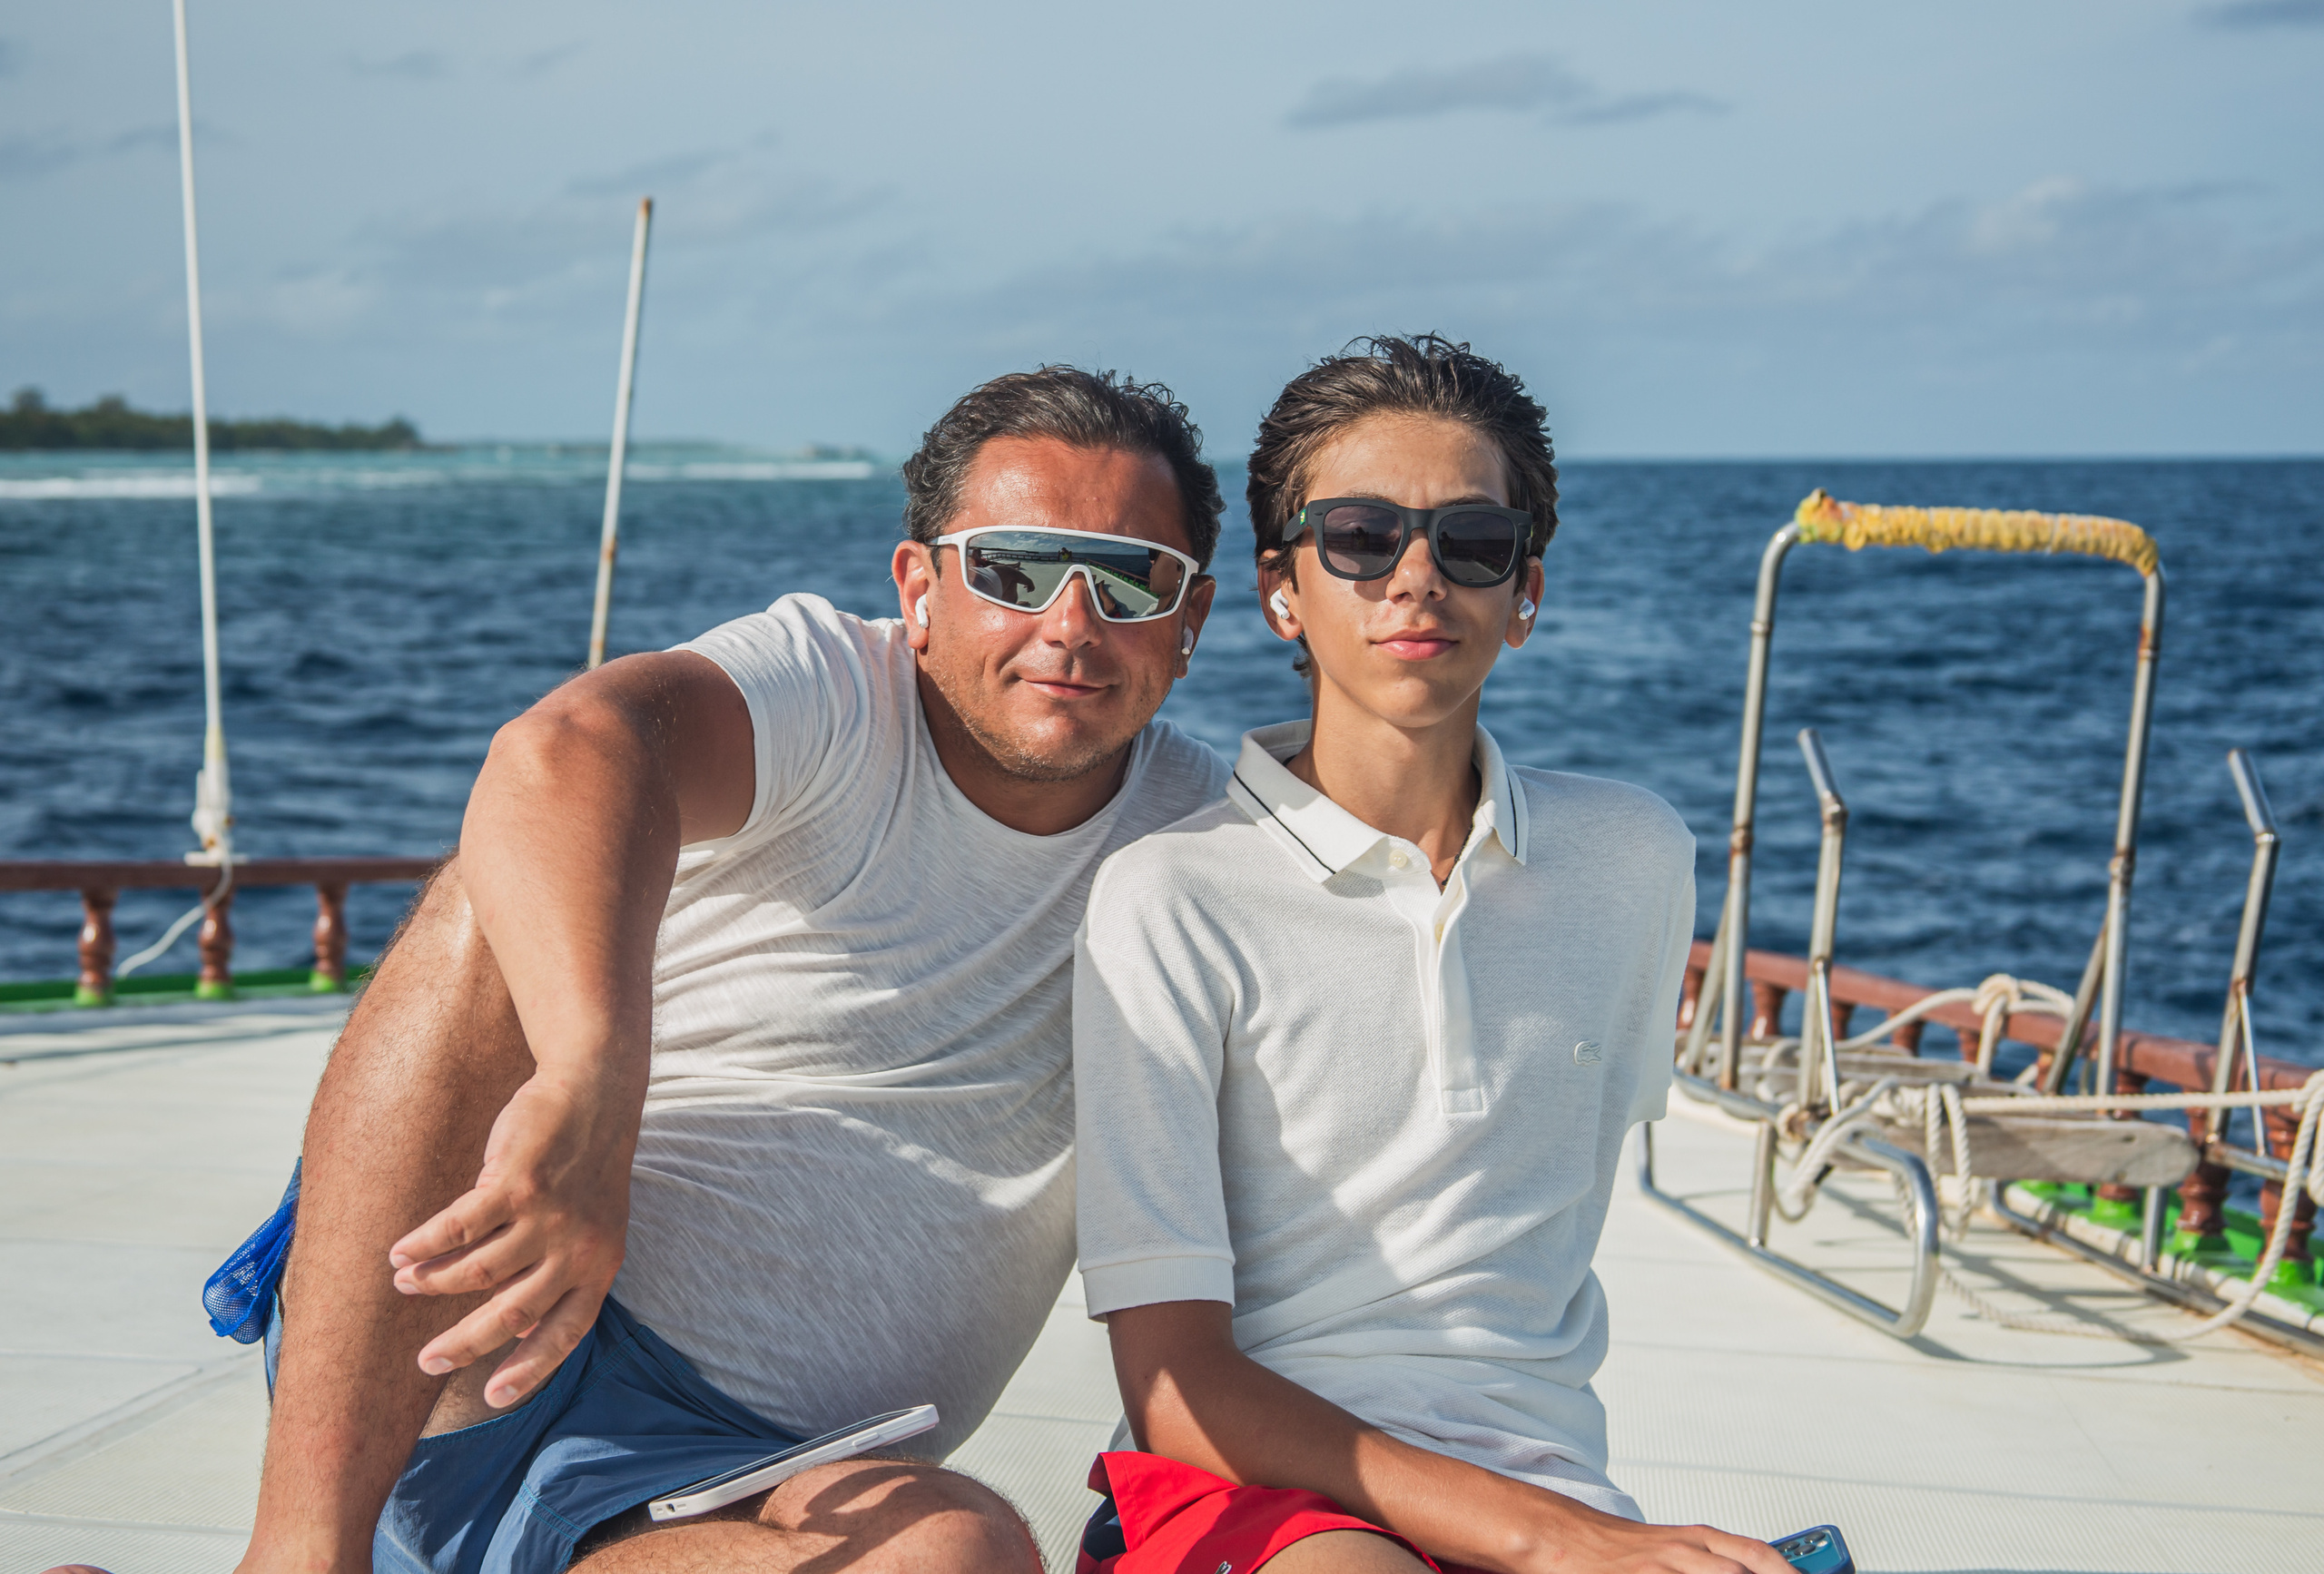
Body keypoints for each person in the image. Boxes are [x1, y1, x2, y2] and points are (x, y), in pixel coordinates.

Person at [197, 366, 1230, 1574]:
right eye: (1012, 570)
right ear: (921, 588)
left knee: (964, 1549)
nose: (1071, 623)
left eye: (1128, 579)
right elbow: (563, 749)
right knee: (493, 883)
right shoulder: (838, 693)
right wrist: (594, 1076)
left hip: (738, 1483)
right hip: (468, 1337)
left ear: (1192, 617)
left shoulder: (1211, 838)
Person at [1069, 336, 1793, 1574]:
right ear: (1281, 590)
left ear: (1526, 594)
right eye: (1359, 535)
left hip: (1552, 1484)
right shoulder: (1170, 898)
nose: (1417, 576)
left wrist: (1562, 1526)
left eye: (1472, 541)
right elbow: (1177, 1385)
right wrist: (1551, 1540)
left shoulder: (1633, 861)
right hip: (1257, 1492)